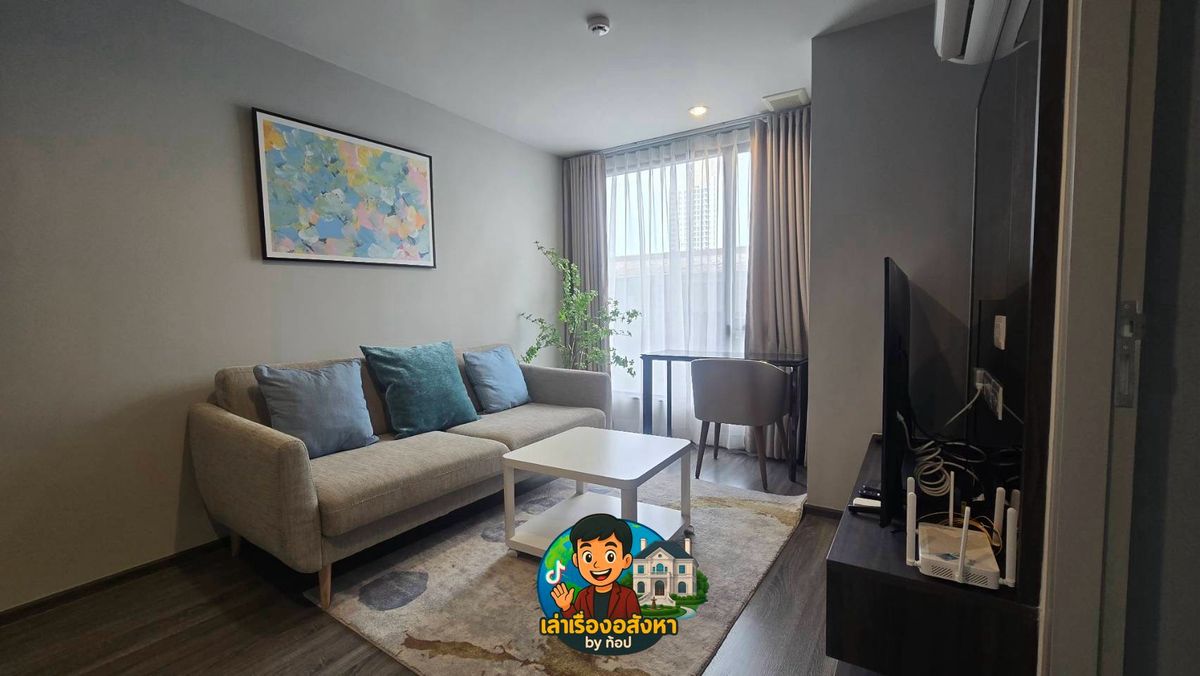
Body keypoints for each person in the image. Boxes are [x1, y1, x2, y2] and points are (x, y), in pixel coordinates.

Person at [550, 513, 642, 621]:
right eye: (588, 557)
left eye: (610, 556)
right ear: (576, 560)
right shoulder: (583, 596)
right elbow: (576, 623)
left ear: (626, 561)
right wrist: (566, 607)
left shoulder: (627, 596)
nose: (597, 565)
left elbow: (637, 625)